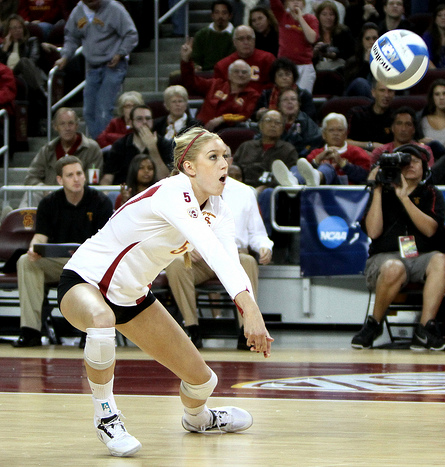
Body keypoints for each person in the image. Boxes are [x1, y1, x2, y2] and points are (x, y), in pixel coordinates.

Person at [57, 126, 273, 457]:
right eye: (212, 157)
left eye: (225, 156)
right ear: (189, 166)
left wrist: (249, 310)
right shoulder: (173, 191)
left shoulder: (220, 208)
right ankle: (106, 416)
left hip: (133, 298)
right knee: (101, 319)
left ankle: (198, 418)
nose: (223, 164)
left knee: (204, 382)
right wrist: (251, 311)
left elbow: (230, 259)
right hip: (85, 282)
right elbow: (211, 252)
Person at [165, 147, 273, 349]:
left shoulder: (244, 192)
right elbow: (172, 229)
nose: (220, 161)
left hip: (234, 257)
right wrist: (186, 246)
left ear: (230, 160)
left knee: (248, 261)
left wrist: (265, 247)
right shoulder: (184, 188)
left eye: (224, 156)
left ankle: (246, 330)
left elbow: (257, 232)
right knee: (176, 263)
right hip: (198, 260)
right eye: (213, 156)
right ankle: (192, 328)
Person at [351, 143, 445, 351]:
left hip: (421, 258)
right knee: (393, 266)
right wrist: (378, 190)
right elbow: (373, 232)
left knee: (441, 260)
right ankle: (374, 324)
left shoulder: (431, 193)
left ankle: (425, 329)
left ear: (425, 167)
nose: (411, 164)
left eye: (416, 161)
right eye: (406, 161)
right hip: (384, 259)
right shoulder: (382, 193)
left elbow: (431, 230)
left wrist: (404, 197)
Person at [13, 156, 113, 347]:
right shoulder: (48, 203)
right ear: (60, 180)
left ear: (85, 176)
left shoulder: (101, 202)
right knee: (26, 261)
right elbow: (40, 238)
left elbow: (107, 243)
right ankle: (30, 331)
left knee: (100, 267)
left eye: (79, 174)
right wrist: (34, 248)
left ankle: (91, 330)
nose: (76, 179)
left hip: (90, 264)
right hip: (59, 262)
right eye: (70, 175)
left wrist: (86, 254)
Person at [55, 0, 139, 140]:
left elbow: (131, 34)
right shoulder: (78, 12)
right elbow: (71, 37)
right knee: (88, 112)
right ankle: (102, 143)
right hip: (92, 67)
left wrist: (120, 53)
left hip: (113, 66)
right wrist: (65, 56)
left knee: (103, 109)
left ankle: (102, 147)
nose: (93, 2)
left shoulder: (114, 8)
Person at [21, 107, 103, 207]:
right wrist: (45, 190)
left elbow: (93, 181)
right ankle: (16, 219)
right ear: (55, 127)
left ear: (77, 125)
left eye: (70, 123)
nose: (67, 128)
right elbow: (31, 178)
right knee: (33, 194)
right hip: (51, 197)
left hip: (80, 197)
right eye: (62, 124)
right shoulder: (47, 150)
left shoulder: (92, 148)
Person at [180, 38, 260, 132]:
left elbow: (245, 115)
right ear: (229, 75)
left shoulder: (252, 94)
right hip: (201, 131)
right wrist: (186, 61)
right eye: (236, 71)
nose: (240, 75)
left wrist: (222, 119)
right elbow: (191, 83)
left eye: (244, 72)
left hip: (227, 133)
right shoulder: (215, 84)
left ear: (249, 76)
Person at [272, 112, 370, 186]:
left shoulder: (357, 152)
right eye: (331, 130)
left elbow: (365, 177)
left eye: (340, 130)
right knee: (296, 168)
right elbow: (305, 169)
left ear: (346, 134)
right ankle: (294, 181)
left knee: (327, 167)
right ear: (323, 134)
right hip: (317, 194)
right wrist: (316, 161)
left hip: (344, 194)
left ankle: (317, 176)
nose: (336, 133)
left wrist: (343, 164)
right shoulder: (316, 153)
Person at [100, 105, 172, 186]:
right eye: (139, 119)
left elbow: (166, 179)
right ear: (130, 123)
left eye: (148, 119)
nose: (144, 122)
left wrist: (152, 148)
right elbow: (108, 177)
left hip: (154, 193)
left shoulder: (164, 144)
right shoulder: (120, 145)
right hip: (125, 192)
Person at [0, 14, 47, 135]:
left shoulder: (32, 42)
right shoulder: (3, 47)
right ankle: (43, 94)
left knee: (24, 62)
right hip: (10, 78)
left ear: (24, 29)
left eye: (19, 27)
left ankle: (41, 92)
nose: (17, 30)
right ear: (8, 31)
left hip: (27, 76)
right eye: (13, 28)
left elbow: (33, 61)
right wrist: (5, 48)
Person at [233, 109, 299, 192]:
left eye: (277, 122)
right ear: (260, 125)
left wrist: (265, 187)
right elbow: (234, 168)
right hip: (242, 188)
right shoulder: (246, 146)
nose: (273, 125)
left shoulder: (288, 150)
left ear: (282, 128)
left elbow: (290, 177)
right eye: (268, 121)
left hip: (271, 191)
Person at [269, 0, 319, 93]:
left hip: (304, 66)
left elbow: (312, 39)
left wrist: (300, 18)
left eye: (299, 0)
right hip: (285, 67)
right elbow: (274, 3)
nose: (295, 2)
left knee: (302, 97)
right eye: (292, 0)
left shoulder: (311, 19)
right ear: (287, 3)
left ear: (304, 4)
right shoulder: (282, 16)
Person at [213, 25, 276, 93]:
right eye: (241, 39)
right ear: (234, 42)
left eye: (249, 38)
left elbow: (275, 84)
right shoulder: (222, 65)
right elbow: (218, 90)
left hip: (261, 100)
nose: (246, 42)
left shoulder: (268, 59)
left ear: (254, 40)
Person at [254, 57, 316, 122]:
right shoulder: (266, 95)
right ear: (274, 78)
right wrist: (258, 114)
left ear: (293, 76)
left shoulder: (303, 95)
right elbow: (255, 116)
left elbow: (310, 115)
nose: (284, 78)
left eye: (287, 74)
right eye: (280, 75)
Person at [371, 106, 435, 167]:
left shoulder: (424, 152)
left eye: (408, 124)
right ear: (392, 128)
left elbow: (429, 176)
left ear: (414, 129)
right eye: (399, 123)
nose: (403, 129)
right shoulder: (380, 152)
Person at [347, 80, 395, 152]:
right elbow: (344, 142)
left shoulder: (396, 117)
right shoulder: (357, 113)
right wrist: (371, 145)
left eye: (390, 91)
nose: (386, 95)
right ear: (373, 93)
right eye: (382, 90)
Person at [153, 84, 202, 155]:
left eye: (180, 101)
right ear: (166, 105)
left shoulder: (195, 125)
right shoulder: (157, 124)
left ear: (186, 104)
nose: (178, 104)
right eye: (174, 101)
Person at [190, 0, 235, 71]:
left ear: (230, 16)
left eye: (224, 13)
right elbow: (195, 59)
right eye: (217, 13)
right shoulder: (201, 35)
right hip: (205, 74)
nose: (220, 16)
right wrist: (196, 66)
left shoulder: (237, 35)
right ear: (212, 15)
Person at [278, 88, 322, 157]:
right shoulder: (274, 121)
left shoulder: (307, 122)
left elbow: (314, 143)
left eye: (293, 99)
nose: (289, 102)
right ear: (279, 106)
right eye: (285, 100)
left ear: (299, 104)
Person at [312, 1, 354, 72]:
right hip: (319, 70)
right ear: (318, 16)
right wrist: (315, 53)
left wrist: (335, 55)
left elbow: (350, 53)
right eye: (324, 14)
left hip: (340, 68)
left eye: (331, 14)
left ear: (336, 16)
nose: (328, 17)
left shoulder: (343, 32)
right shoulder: (313, 33)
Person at [343, 22, 378, 97]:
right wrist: (366, 63)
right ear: (362, 41)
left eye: (375, 38)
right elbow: (352, 84)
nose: (372, 42)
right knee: (361, 82)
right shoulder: (352, 61)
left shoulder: (387, 60)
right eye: (368, 39)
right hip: (356, 97)